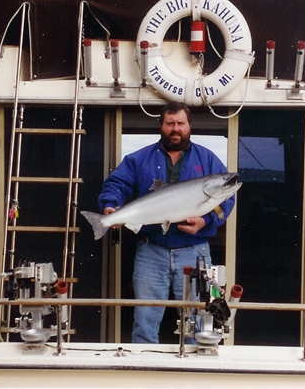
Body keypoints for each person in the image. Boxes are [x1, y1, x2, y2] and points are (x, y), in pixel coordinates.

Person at [98, 101, 235, 343]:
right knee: (145, 321)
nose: (176, 129)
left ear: (189, 126)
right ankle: (145, 375)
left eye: (181, 123)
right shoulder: (138, 159)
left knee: (198, 320)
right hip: (151, 250)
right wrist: (110, 207)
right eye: (170, 123)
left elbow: (226, 198)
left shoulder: (208, 160)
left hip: (194, 251)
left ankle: (195, 376)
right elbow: (115, 185)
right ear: (161, 126)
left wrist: (205, 221)